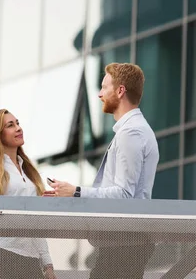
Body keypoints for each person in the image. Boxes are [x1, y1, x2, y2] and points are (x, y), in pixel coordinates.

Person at [45, 63, 159, 279]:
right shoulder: (131, 131)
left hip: (126, 241)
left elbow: (124, 195)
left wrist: (76, 191)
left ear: (120, 90)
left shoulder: (131, 132)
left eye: (104, 87)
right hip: (123, 240)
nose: (99, 94)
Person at [0, 109, 56, 279]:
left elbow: (35, 221)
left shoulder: (28, 171)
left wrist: (47, 263)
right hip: (1, 253)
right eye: (10, 125)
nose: (18, 128)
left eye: (18, 123)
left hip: (31, 257)